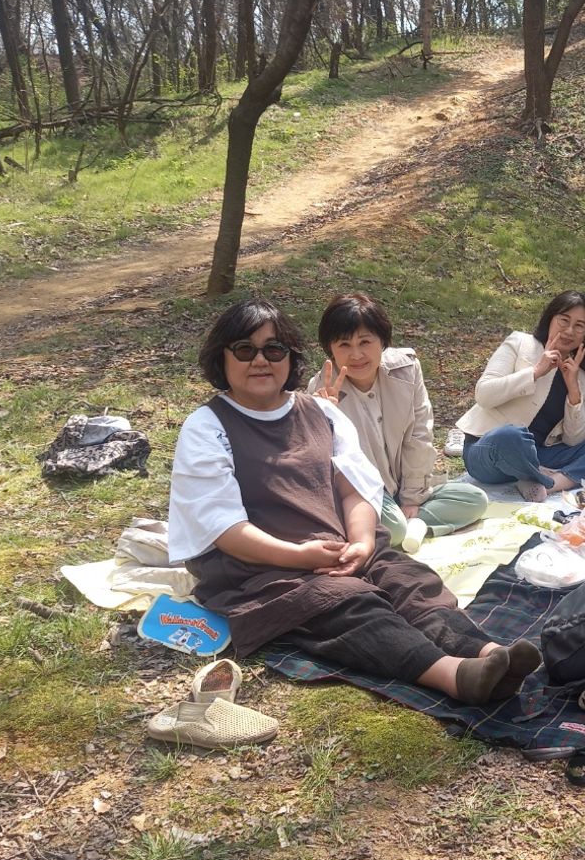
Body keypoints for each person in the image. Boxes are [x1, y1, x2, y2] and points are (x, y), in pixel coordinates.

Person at [168, 298, 540, 705]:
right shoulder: (208, 427)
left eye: (273, 350)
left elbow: (356, 490)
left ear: (290, 357)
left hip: (341, 547)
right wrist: (299, 556)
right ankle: (454, 675)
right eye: (245, 350)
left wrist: (362, 543)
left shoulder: (321, 412)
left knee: (410, 581)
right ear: (221, 357)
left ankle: (488, 652)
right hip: (261, 568)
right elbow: (223, 528)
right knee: (348, 603)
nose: (260, 360)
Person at [307, 292, 488, 553]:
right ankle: (401, 528)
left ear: (382, 341)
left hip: (401, 486)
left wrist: (412, 497)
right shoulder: (321, 390)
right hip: (363, 495)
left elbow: (419, 434)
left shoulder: (406, 369)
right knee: (394, 526)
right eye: (344, 345)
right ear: (330, 350)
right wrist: (325, 413)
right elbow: (322, 467)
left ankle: (404, 526)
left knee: (475, 499)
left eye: (365, 342)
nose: (356, 354)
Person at [457, 290, 585, 503]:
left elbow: (574, 440)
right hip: (490, 449)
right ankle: (537, 474)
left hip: (540, 454)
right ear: (550, 318)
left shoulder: (581, 378)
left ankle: (548, 484)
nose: (569, 331)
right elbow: (484, 394)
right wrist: (535, 372)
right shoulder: (520, 343)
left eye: (579, 326)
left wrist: (573, 391)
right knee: (512, 436)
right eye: (564, 320)